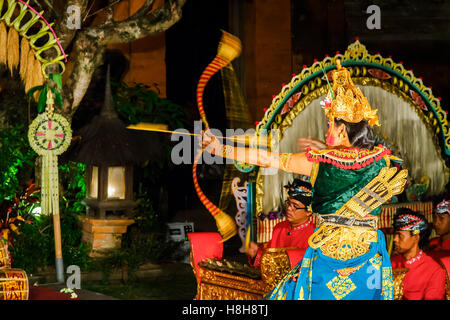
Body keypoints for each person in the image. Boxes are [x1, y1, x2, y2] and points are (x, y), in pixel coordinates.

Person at [202, 59, 406, 300]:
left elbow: (266, 159)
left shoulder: (319, 161)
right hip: (368, 253)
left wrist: (219, 148)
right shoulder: (383, 160)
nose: (327, 130)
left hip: (328, 253)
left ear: (342, 130)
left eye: (330, 125)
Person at [247, 178, 315, 268]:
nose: (289, 208)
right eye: (288, 203)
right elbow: (269, 258)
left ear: (309, 212)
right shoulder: (279, 228)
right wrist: (256, 254)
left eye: (295, 206)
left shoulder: (314, 235)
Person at [390, 208, 446, 300]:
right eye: (395, 235)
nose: (395, 239)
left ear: (416, 237)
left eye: (400, 235)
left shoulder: (434, 271)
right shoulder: (390, 264)